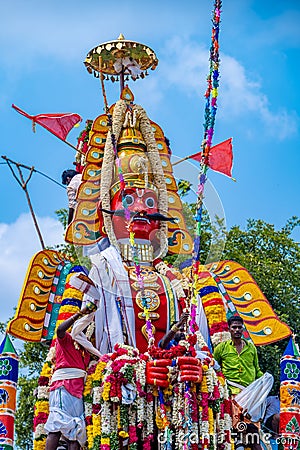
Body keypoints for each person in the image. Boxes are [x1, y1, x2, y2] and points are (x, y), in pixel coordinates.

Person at [45, 303, 100, 450]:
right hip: (63, 385)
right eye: (85, 327)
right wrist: (79, 314)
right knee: (57, 423)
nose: (87, 331)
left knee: (76, 428)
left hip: (78, 389)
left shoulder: (87, 349)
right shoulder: (66, 339)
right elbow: (60, 329)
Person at [214, 316, 265, 450]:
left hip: (250, 395)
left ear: (243, 328)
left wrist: (265, 383)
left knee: (253, 431)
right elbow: (214, 367)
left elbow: (257, 370)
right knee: (236, 431)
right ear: (229, 329)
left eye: (239, 327)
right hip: (231, 396)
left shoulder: (251, 348)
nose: (237, 330)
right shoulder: (221, 348)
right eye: (234, 327)